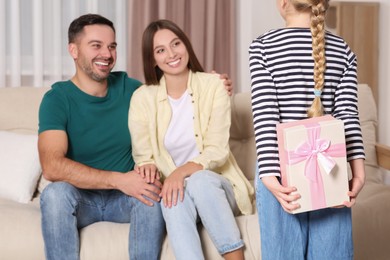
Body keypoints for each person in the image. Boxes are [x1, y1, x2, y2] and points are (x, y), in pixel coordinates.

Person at [38, 14, 233, 260]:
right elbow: (51, 166)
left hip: (128, 197)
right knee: (55, 194)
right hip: (81, 198)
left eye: (112, 46)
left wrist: (216, 84)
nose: (107, 54)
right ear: (73, 50)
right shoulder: (57, 99)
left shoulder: (133, 90)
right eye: (96, 46)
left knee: (150, 192)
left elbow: (173, 86)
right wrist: (118, 180)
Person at [128, 19, 254, 260]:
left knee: (200, 181)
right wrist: (158, 175)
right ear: (152, 59)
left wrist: (181, 172)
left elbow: (217, 150)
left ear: (186, 45)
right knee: (171, 198)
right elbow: (144, 158)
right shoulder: (142, 98)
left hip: (218, 186)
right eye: (160, 50)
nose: (171, 53)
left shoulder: (213, 85)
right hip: (177, 192)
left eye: (176, 44)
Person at [249, 0, 366, 259]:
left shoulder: (263, 47)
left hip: (279, 169)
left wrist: (269, 177)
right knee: (331, 254)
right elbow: (348, 117)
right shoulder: (343, 49)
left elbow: (265, 115)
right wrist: (358, 170)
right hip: (331, 167)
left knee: (283, 254)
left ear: (283, 3)